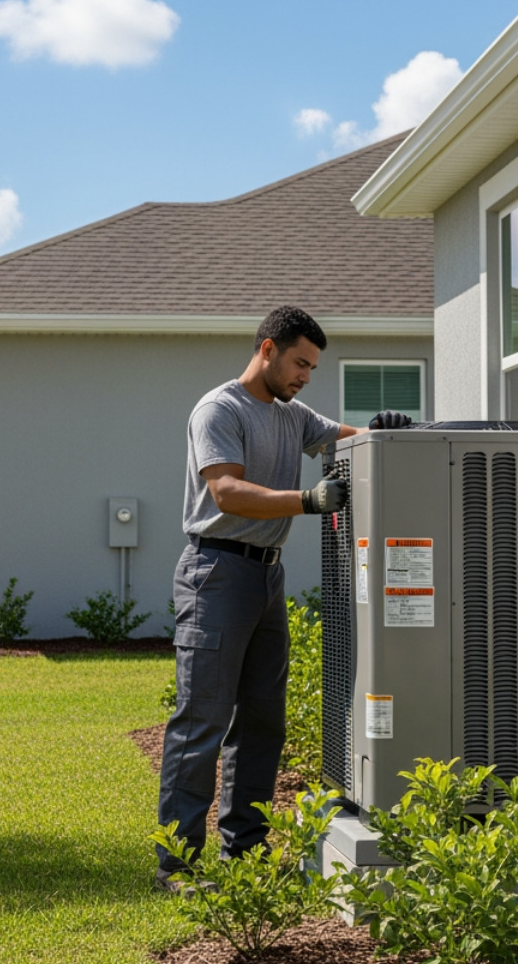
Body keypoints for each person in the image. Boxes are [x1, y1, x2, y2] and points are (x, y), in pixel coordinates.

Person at [154, 305, 411, 892]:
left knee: (264, 722)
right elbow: (226, 491)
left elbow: (350, 440)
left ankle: (242, 851)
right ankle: (177, 866)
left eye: (313, 368)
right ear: (267, 349)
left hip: (265, 578)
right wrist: (308, 500)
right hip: (215, 572)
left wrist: (392, 430)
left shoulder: (294, 415)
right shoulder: (219, 408)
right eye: (300, 363)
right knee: (202, 722)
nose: (305, 376)